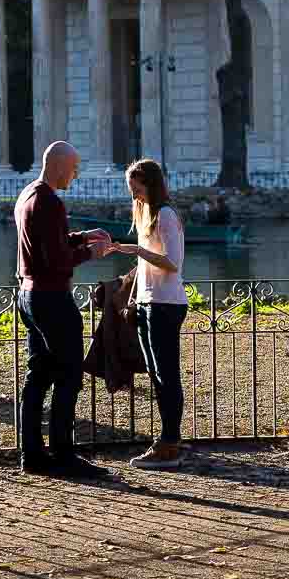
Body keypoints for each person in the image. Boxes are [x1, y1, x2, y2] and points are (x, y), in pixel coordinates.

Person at [15, 141, 112, 478]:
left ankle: (32, 455)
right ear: (59, 166)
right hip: (52, 298)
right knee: (69, 375)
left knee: (39, 376)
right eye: (74, 167)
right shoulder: (51, 202)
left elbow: (47, 243)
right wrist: (92, 254)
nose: (77, 173)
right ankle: (63, 454)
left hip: (28, 296)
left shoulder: (28, 194)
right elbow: (55, 261)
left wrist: (82, 236)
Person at [106, 158, 187, 470]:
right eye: (131, 190)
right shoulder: (146, 215)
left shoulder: (165, 214)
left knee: (167, 375)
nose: (134, 195)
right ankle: (169, 439)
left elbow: (172, 262)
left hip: (166, 304)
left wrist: (137, 250)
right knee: (157, 375)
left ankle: (169, 443)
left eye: (136, 189)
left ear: (150, 184)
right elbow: (145, 268)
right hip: (148, 303)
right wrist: (133, 300)